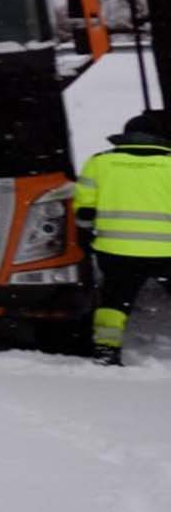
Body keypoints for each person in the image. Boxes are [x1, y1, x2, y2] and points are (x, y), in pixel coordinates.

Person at [77, 109, 171, 365]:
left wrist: (85, 234)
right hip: (167, 251)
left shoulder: (99, 162)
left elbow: (85, 210)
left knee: (114, 302)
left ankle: (106, 350)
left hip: (117, 250)